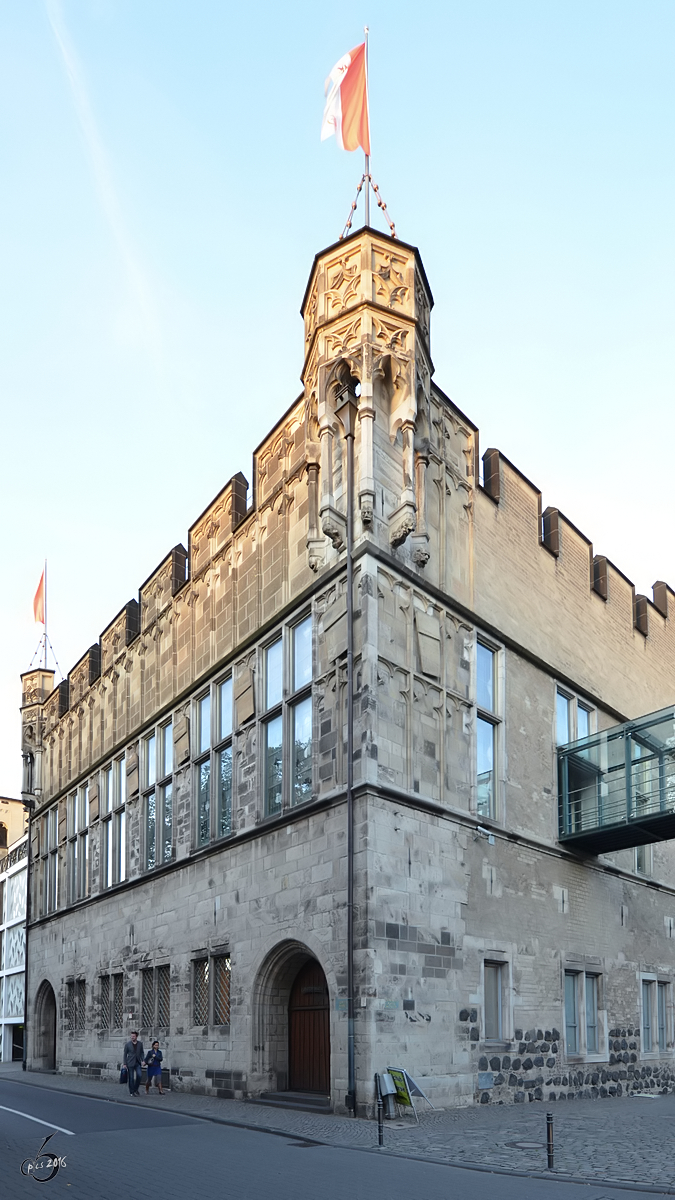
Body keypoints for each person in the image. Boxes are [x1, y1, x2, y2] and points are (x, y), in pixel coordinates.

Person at [123, 1030, 144, 1097]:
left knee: (139, 1075)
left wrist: (143, 1060)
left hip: (137, 1062)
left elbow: (142, 1052)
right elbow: (125, 1054)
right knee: (131, 1078)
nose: (132, 1037)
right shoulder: (127, 1044)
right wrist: (124, 1063)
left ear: (136, 1037)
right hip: (130, 1062)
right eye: (131, 1036)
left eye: (133, 1036)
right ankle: (132, 1091)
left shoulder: (140, 1044)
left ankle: (136, 1088)